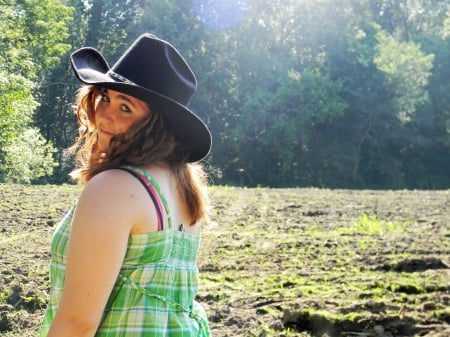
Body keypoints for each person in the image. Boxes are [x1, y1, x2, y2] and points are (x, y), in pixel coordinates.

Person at [40, 33, 212, 337]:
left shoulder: (114, 188)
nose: (104, 114)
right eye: (105, 97)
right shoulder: (181, 184)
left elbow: (77, 324)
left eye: (126, 107)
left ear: (157, 124)